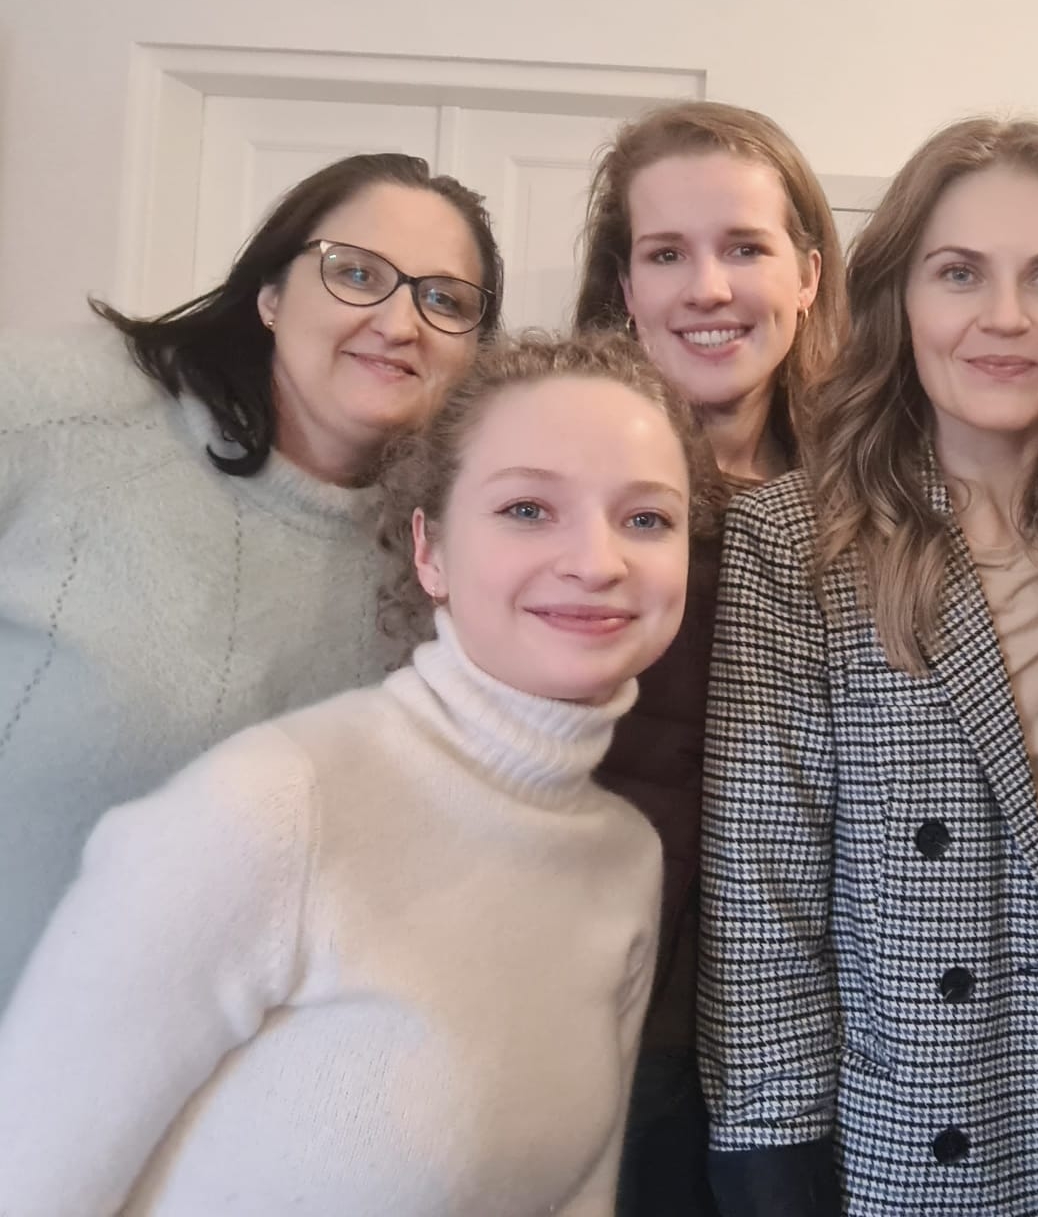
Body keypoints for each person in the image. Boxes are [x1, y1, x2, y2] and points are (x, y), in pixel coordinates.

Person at [0, 330, 710, 1215]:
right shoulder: (269, 810)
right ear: (430, 550)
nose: (598, 562)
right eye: (528, 508)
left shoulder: (623, 859)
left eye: (647, 519)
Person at [699, 117, 1038, 1217]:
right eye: (960, 273)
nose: (1005, 317)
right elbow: (764, 911)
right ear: (899, 298)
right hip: (928, 1106)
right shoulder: (798, 540)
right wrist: (774, 1171)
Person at [0, 152, 503, 997]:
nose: (399, 321)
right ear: (271, 295)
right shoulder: (64, 409)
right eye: (356, 273)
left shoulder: (457, 562)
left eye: (445, 300)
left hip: (238, 1065)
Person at [574, 100, 847, 1214]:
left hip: (817, 1057)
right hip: (598, 1038)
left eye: (744, 248)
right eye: (666, 254)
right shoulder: (550, 491)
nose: (708, 289)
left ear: (807, 276)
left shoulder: (867, 508)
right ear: (625, 287)